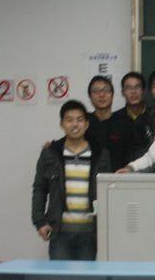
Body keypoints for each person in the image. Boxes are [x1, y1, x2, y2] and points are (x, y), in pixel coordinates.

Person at [31, 100, 111, 260]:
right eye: (69, 120)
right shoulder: (50, 153)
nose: (75, 124)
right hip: (59, 232)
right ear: (62, 124)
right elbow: (40, 188)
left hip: (91, 233)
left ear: (86, 124)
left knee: (86, 276)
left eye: (80, 120)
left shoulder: (101, 154)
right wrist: (40, 221)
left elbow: (109, 191)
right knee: (59, 276)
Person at [84, 75, 130, 172]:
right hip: (89, 177)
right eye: (96, 91)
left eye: (106, 90)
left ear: (112, 95)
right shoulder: (84, 122)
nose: (101, 95)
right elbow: (70, 142)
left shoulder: (125, 122)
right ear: (90, 97)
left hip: (119, 177)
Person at [114, 71, 155, 165]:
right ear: (123, 92)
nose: (133, 92)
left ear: (144, 91)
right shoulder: (115, 119)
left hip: (152, 171)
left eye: (137, 87)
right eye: (128, 88)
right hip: (122, 171)